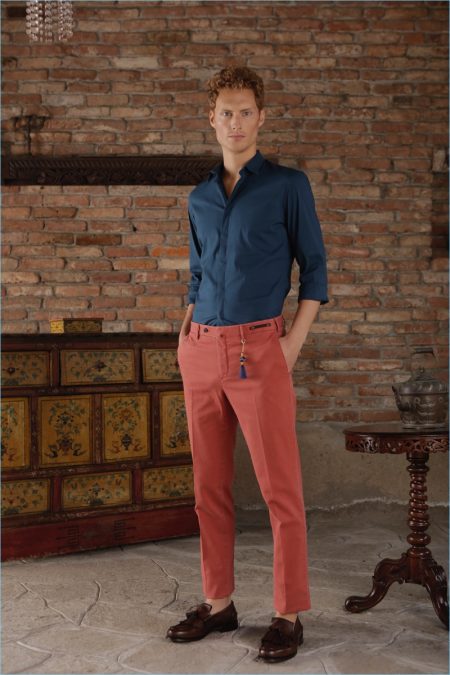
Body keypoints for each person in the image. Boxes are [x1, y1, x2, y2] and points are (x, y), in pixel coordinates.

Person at [166, 65, 328, 663]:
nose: (235, 122)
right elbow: (199, 270)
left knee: (280, 489)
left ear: (261, 117)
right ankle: (219, 603)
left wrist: (291, 344)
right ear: (211, 119)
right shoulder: (199, 197)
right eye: (225, 113)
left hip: (259, 350)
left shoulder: (288, 186)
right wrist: (187, 326)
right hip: (200, 349)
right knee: (209, 488)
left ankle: (288, 614)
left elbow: (315, 271)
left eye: (245, 112)